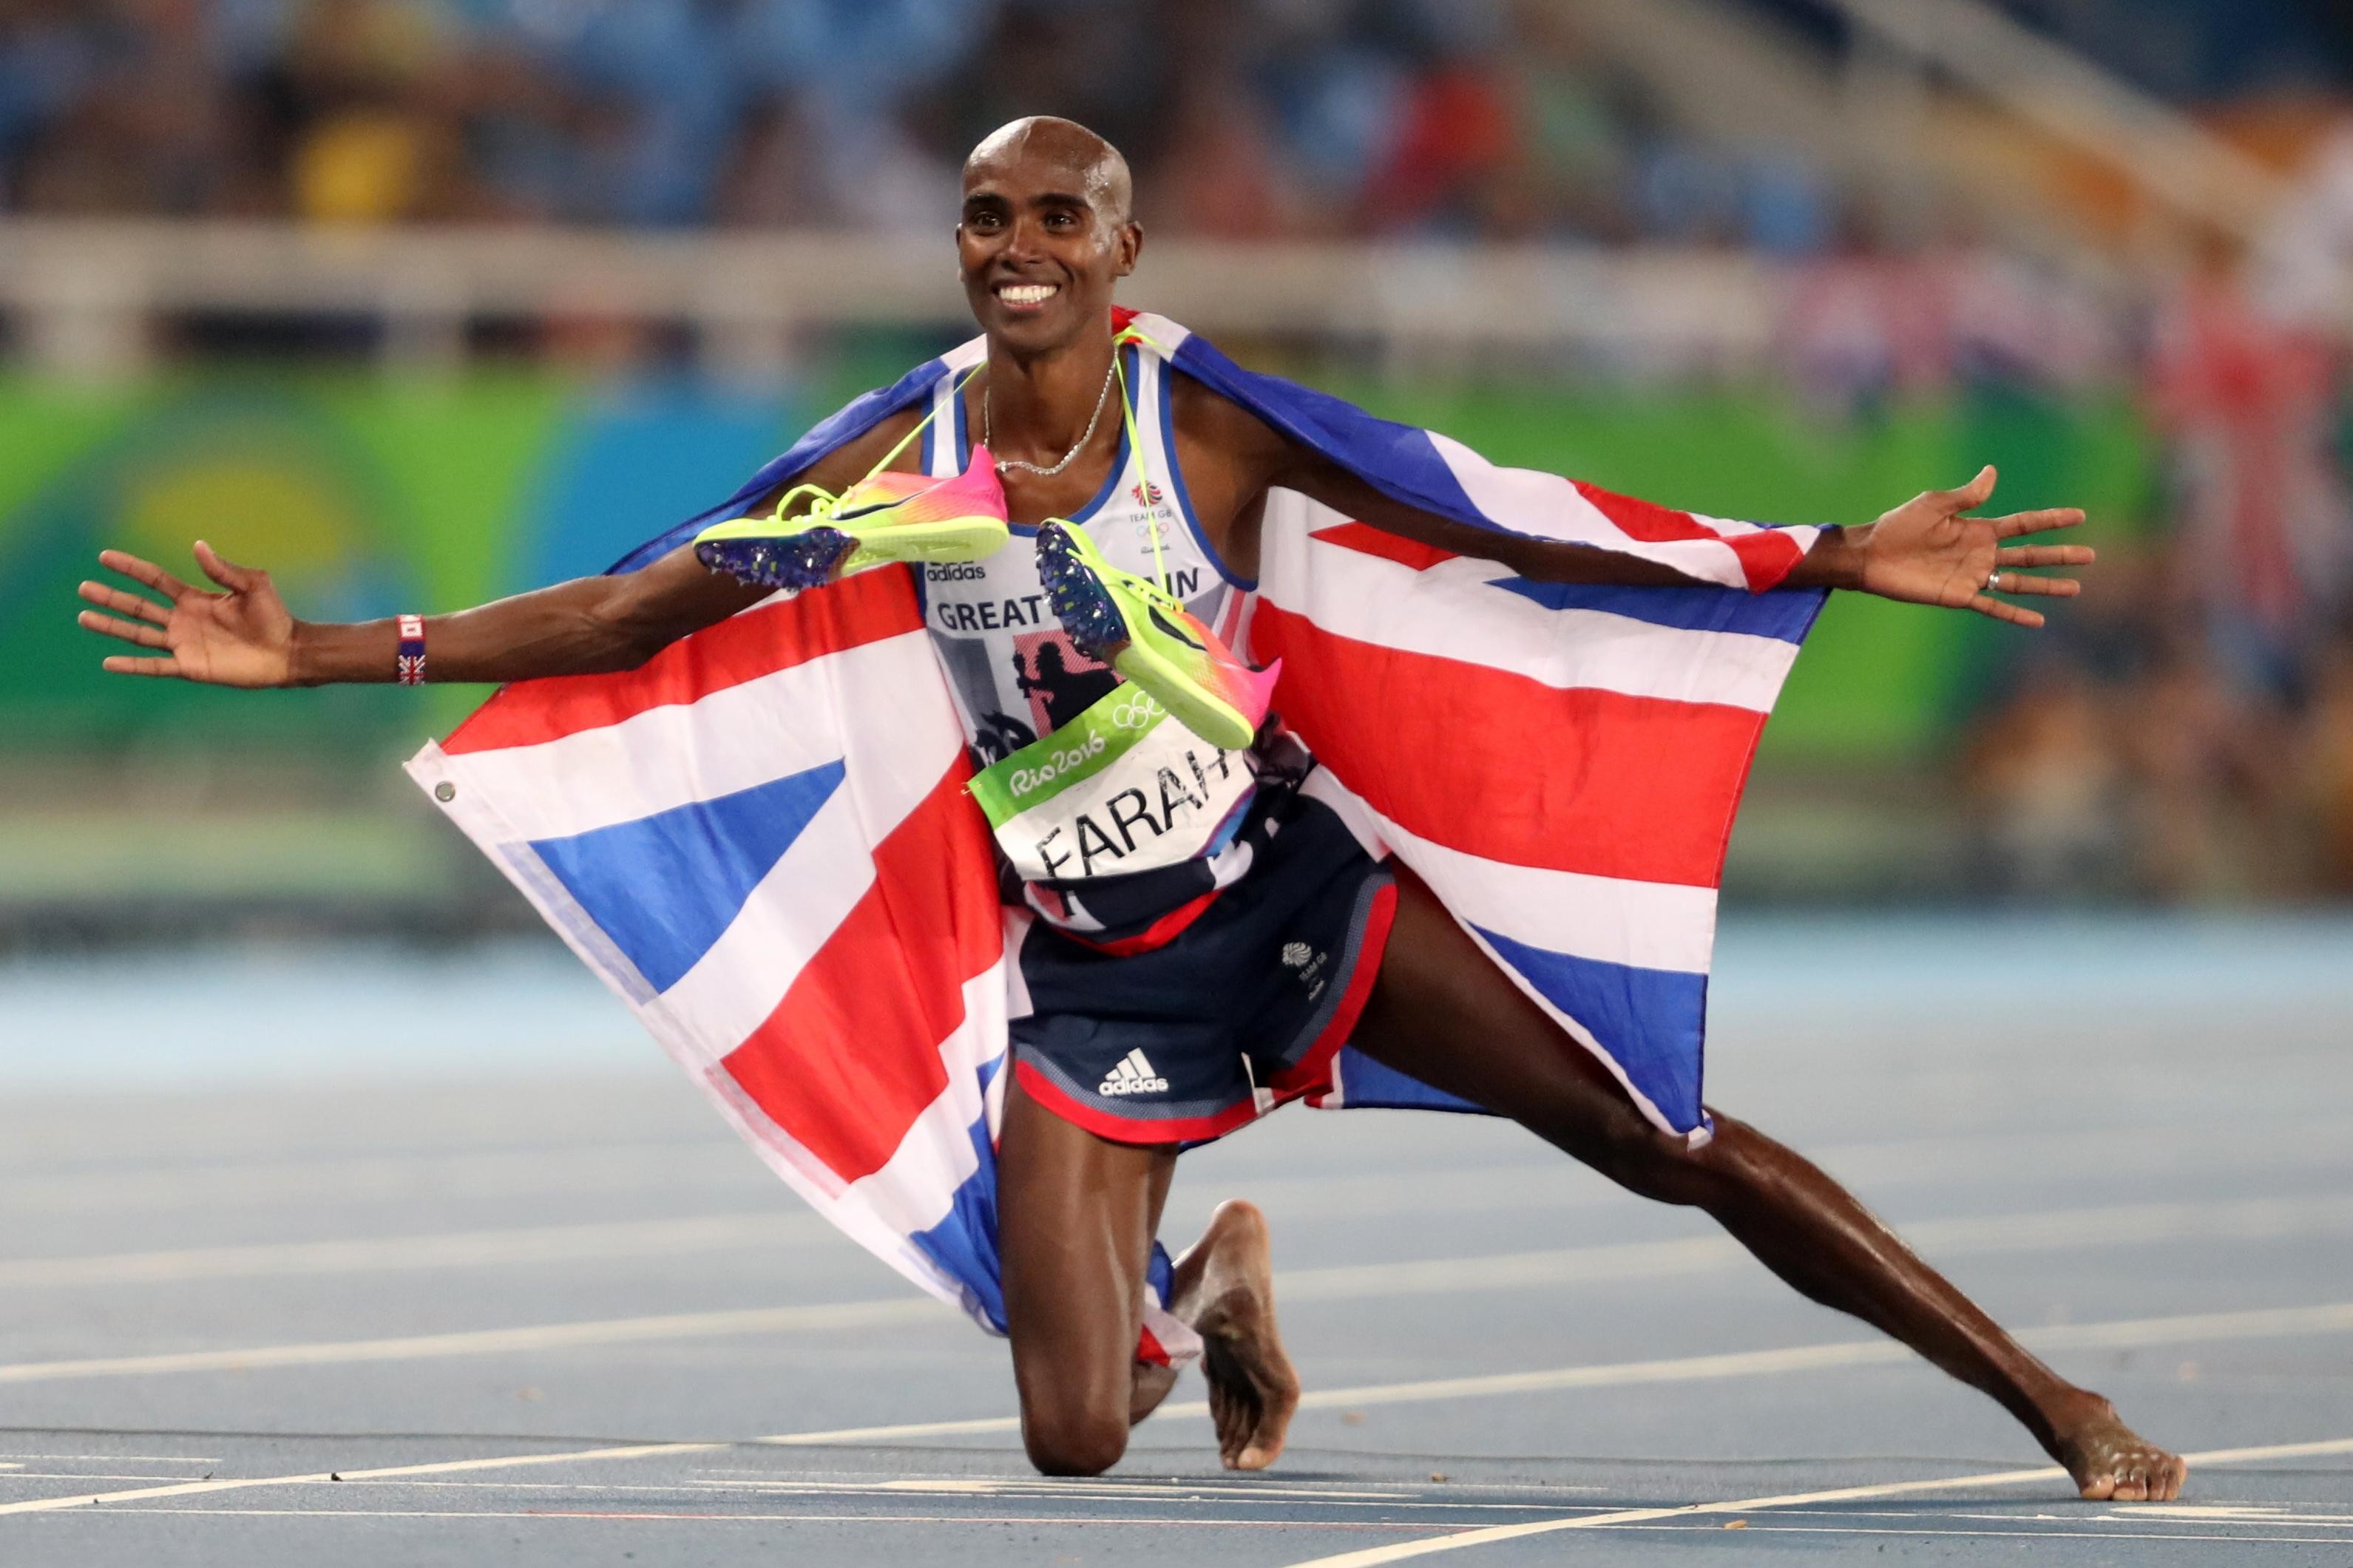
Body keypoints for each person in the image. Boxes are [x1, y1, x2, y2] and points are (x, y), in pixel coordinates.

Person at [74, 117, 2185, 1501]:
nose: (1017, 248)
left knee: (1664, 1139)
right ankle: (1213, 1284)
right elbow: (637, 607)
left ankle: (2054, 1402)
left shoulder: (1215, 424)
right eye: (986, 218)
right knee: (1078, 1436)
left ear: (1121, 249)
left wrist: (1824, 552)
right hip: (1096, 967)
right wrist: (326, 649)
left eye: (1054, 219)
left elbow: (1498, 517)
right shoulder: (891, 463)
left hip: (1292, 897)